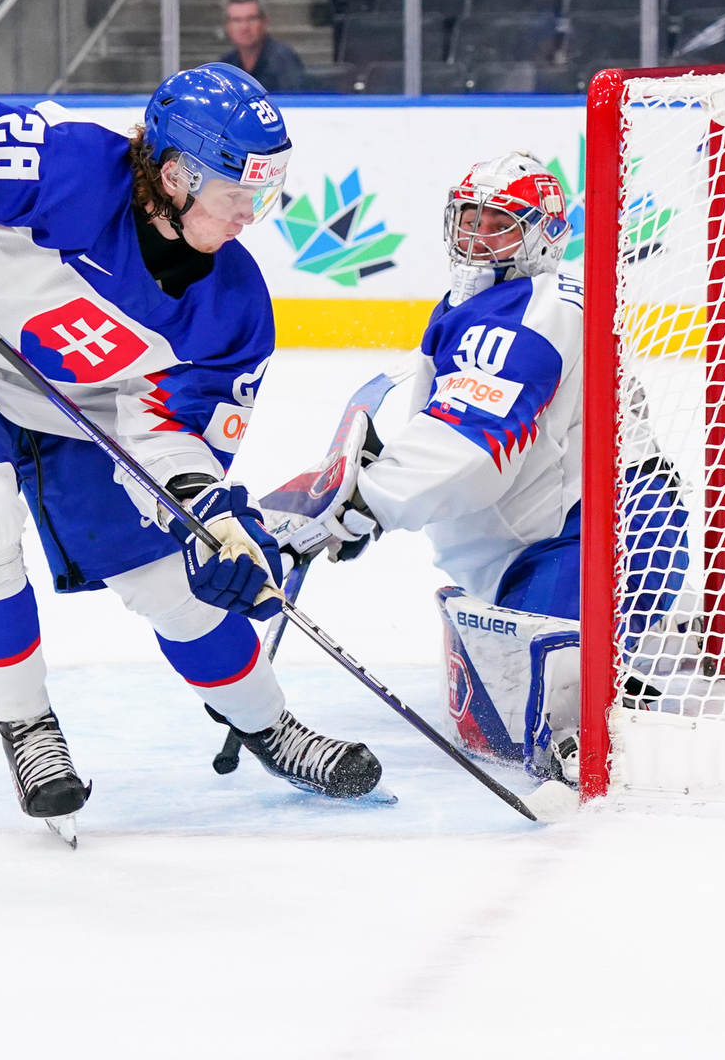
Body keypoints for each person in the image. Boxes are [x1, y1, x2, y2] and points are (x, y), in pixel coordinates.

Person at [0, 64, 383, 839]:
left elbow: (169, 427)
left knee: (174, 579)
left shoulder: (233, 307)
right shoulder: (62, 162)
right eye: (237, 197)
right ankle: (29, 730)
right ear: (176, 174)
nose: (251, 216)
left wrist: (212, 520)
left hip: (74, 409)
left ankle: (270, 725)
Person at [258, 153, 691, 783]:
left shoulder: (530, 313)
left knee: (540, 717)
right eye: (469, 219)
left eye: (500, 225)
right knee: (507, 680)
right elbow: (450, 408)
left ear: (544, 234)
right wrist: (373, 498)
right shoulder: (512, 298)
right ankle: (626, 644)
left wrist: (364, 504)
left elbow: (474, 444)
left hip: (604, 538)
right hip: (605, 520)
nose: (477, 239)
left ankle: (617, 663)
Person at [216, 0, 308, 93]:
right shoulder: (226, 64)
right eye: (237, 20)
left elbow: (294, 104)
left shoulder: (284, 60)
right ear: (227, 26)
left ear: (264, 22)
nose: (244, 27)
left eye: (251, 19)